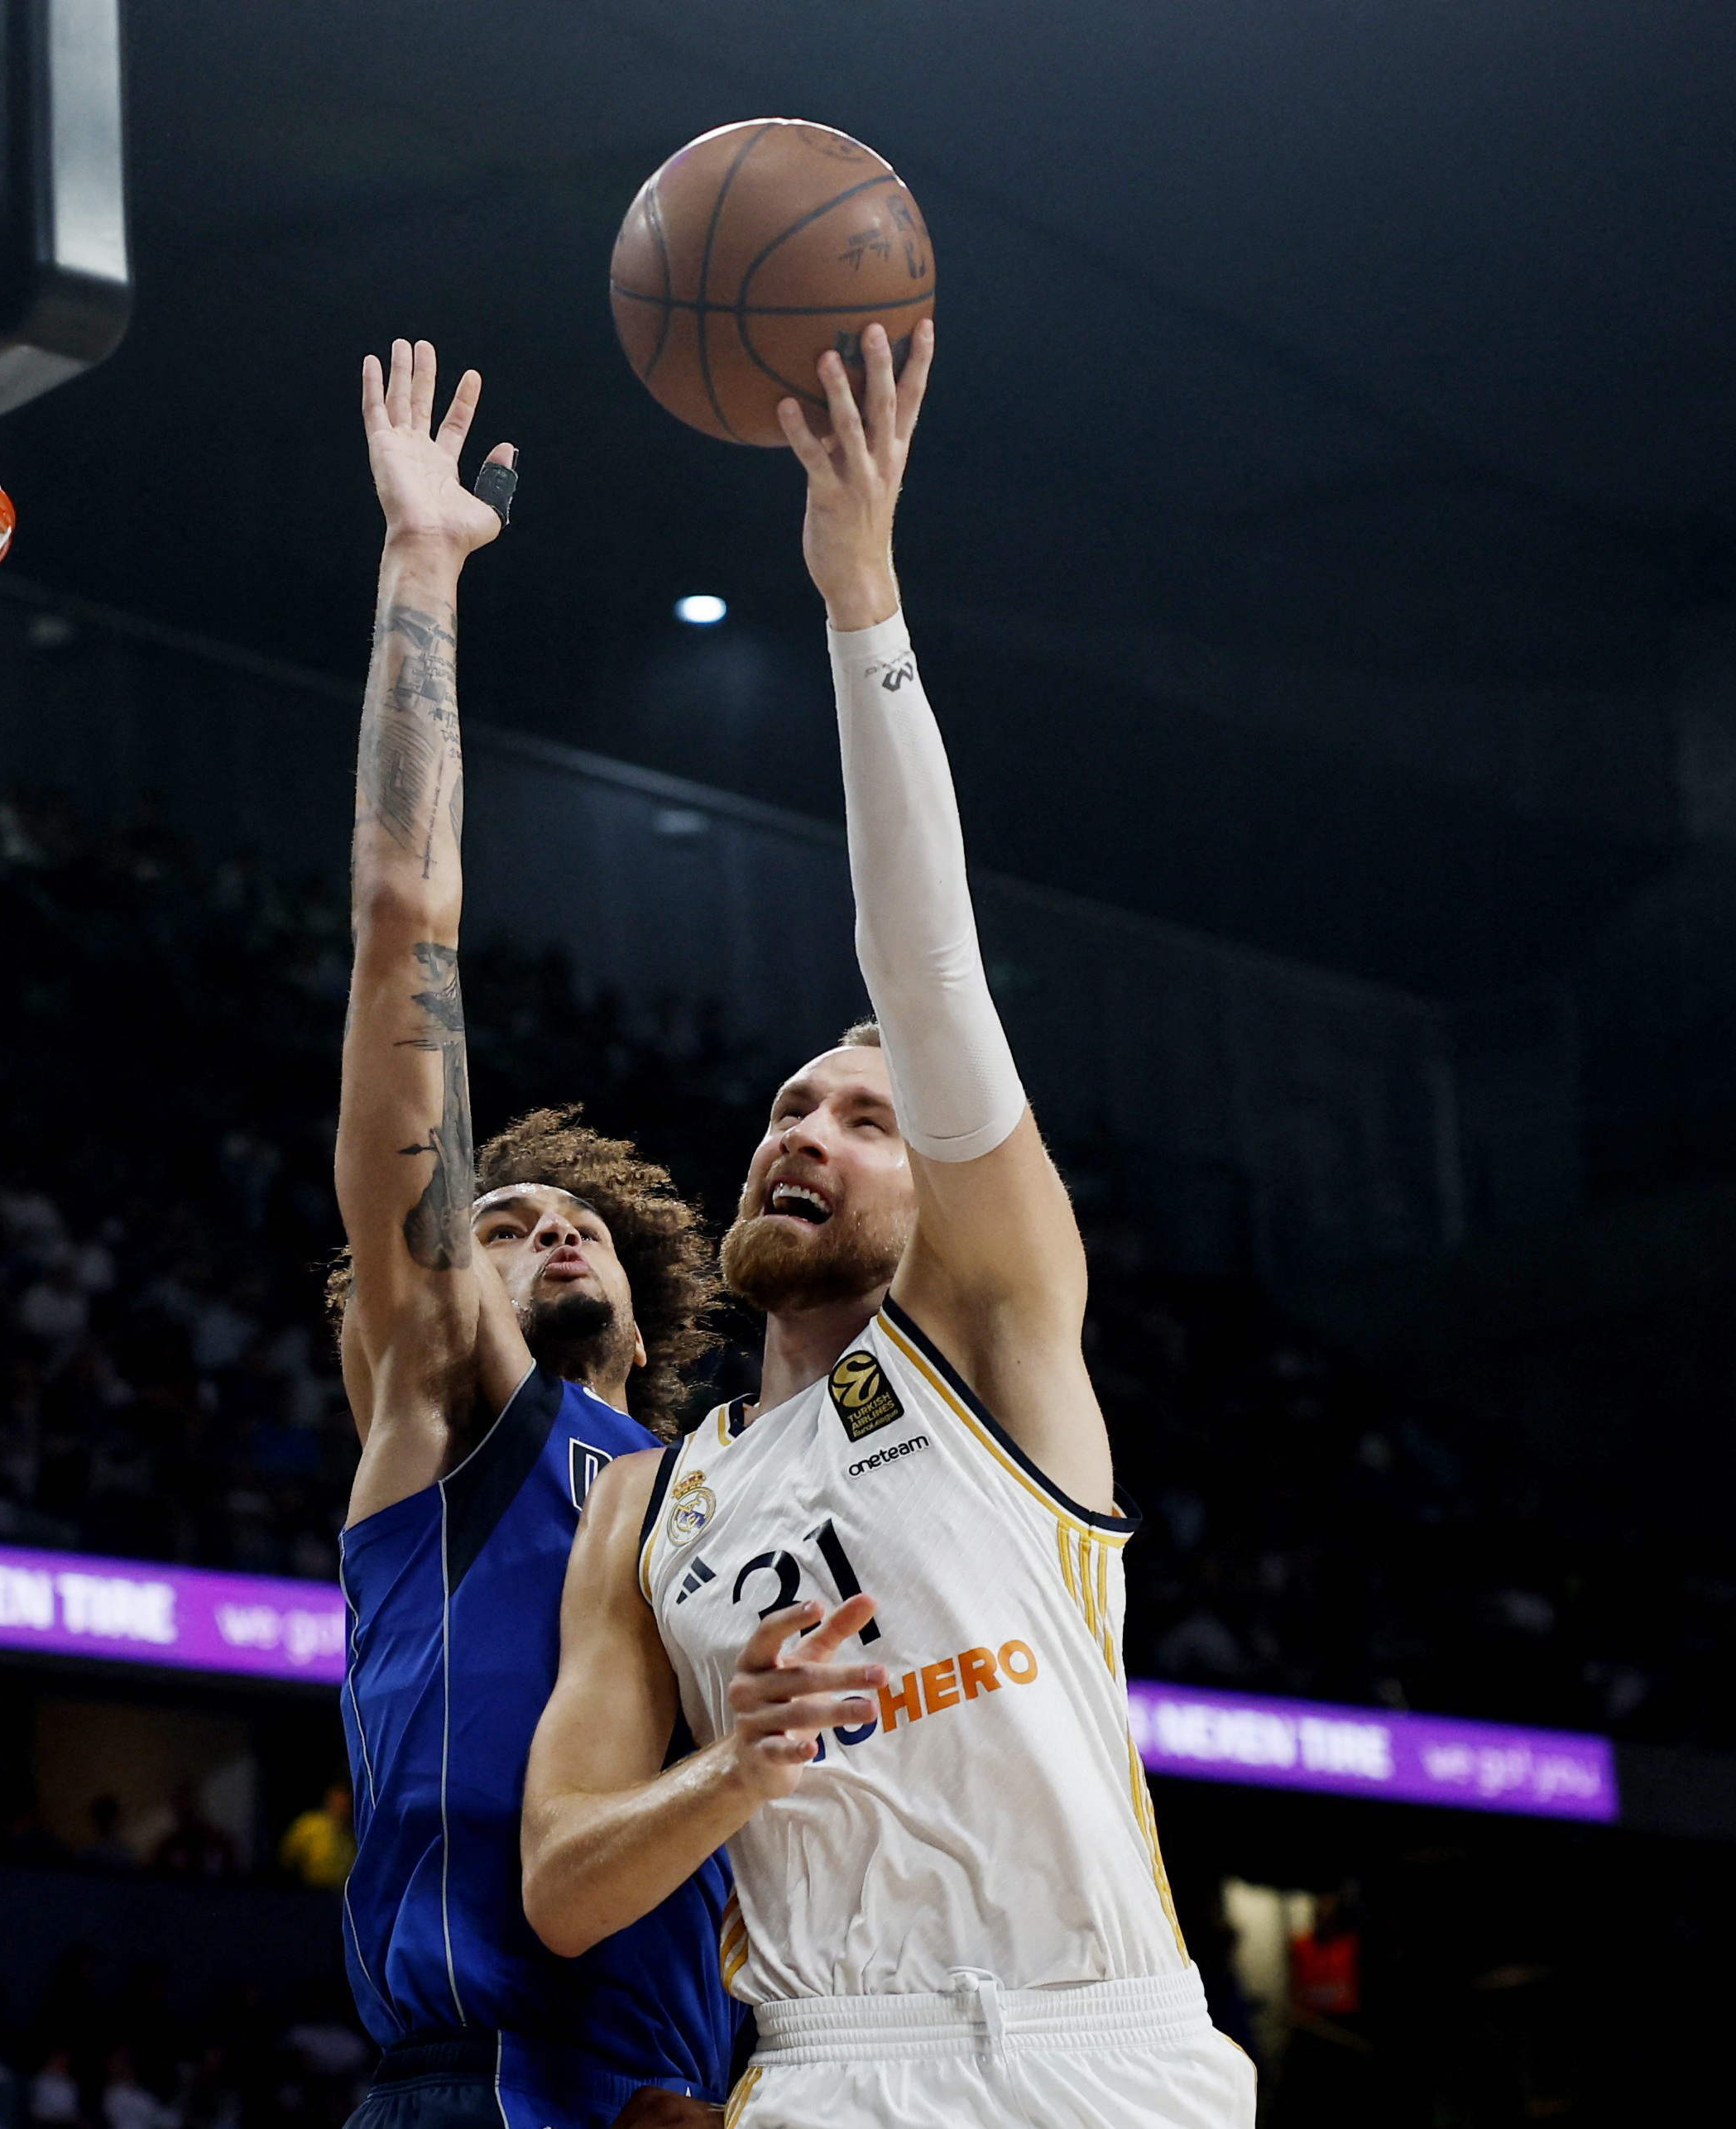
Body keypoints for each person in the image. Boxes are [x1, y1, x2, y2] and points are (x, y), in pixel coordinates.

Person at [519, 321, 1255, 2129]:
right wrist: (731, 1769)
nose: (807, 1127)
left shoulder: (997, 1331)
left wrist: (858, 593)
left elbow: (921, 971)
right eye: (784, 1105)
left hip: (1110, 2047)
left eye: (862, 1114)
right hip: (838, 2068)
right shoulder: (643, 1498)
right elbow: (566, 1877)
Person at [328, 339, 736, 2129]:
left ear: (646, 1328)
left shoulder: (710, 1486)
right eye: (497, 1220)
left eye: (576, 1219)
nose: (545, 1223)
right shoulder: (457, 1417)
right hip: (475, 2084)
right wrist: (423, 565)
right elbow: (405, 923)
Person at [273, 1783, 355, 1891]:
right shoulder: (308, 1825)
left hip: (340, 1893)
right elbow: (286, 1861)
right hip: (307, 1892)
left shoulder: (352, 1833)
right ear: (330, 1799)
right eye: (339, 1799)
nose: (343, 1804)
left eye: (346, 1800)